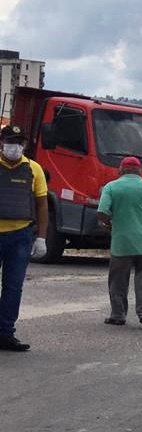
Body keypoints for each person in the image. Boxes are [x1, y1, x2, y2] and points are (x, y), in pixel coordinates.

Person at [97, 156, 142, 329]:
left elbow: (101, 212)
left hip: (122, 243)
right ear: (140, 171)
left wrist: (109, 224)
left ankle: (118, 315)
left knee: (118, 280)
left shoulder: (111, 187)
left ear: (120, 170)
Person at [0, 125, 48, 351]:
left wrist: (41, 238)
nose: (15, 146)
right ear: (2, 142)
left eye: (19, 142)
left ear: (25, 145)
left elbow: (42, 205)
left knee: (13, 287)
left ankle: (5, 333)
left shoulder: (34, 169)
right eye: (11, 141)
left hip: (21, 236)